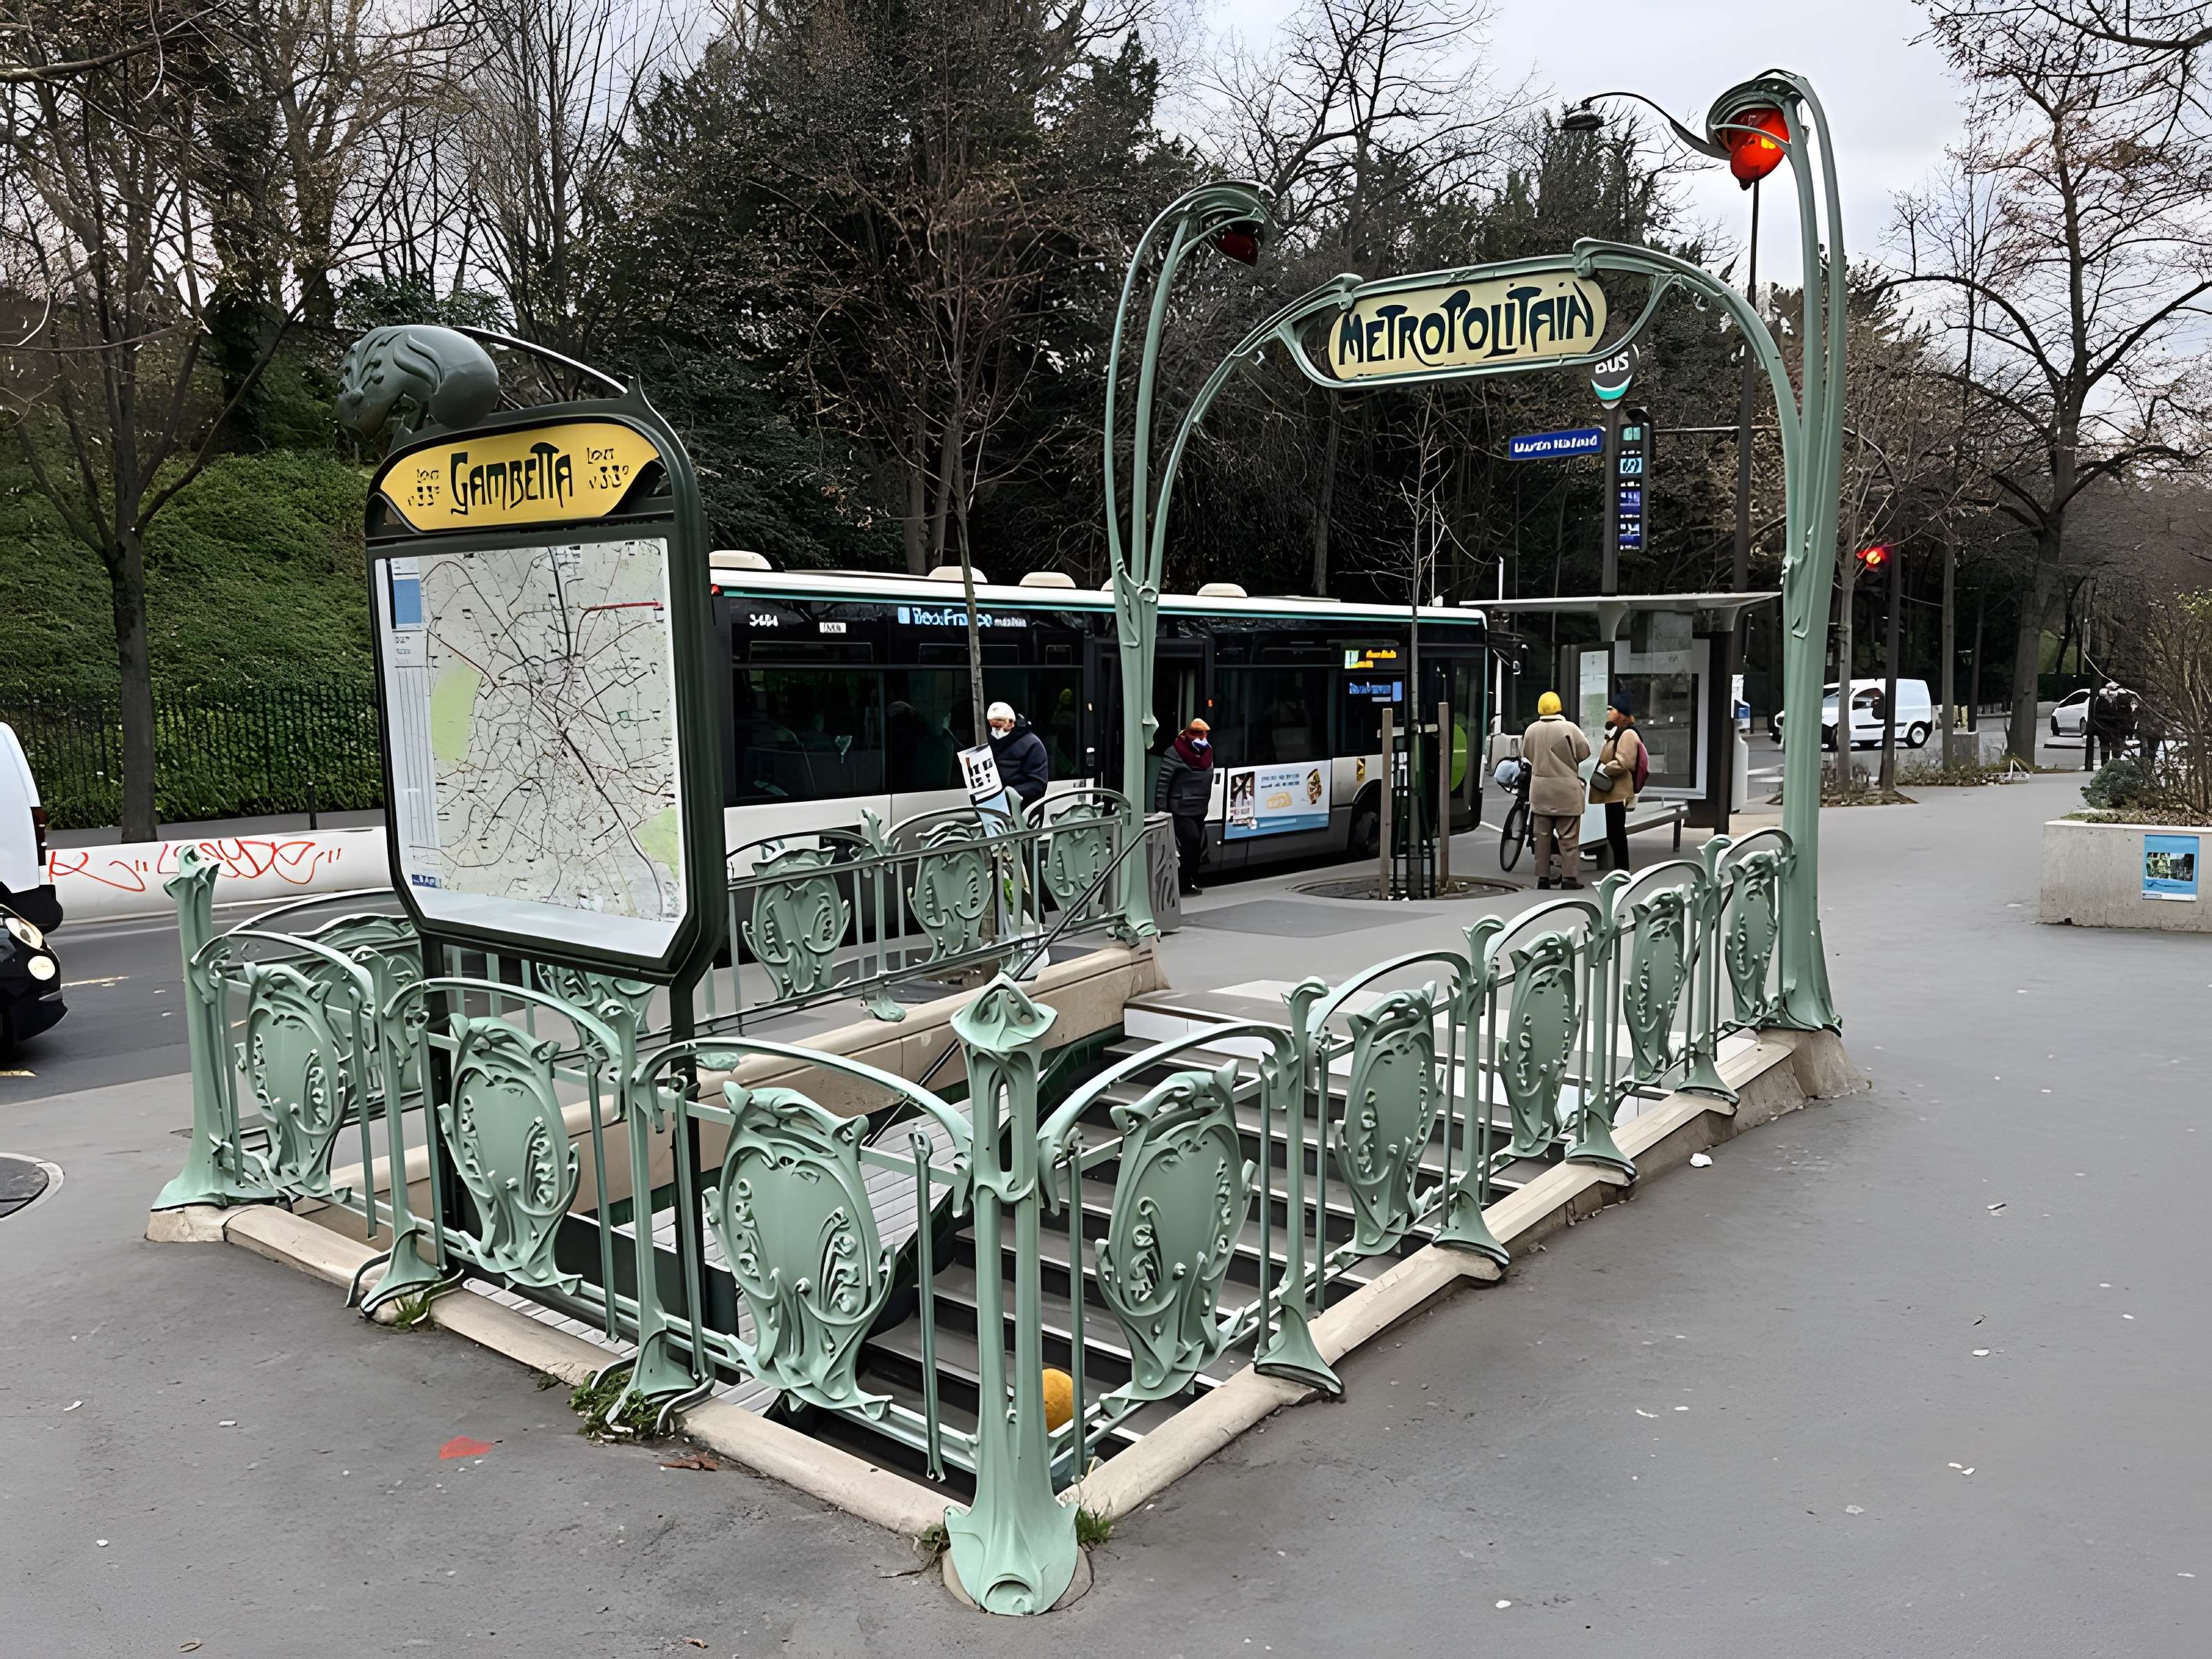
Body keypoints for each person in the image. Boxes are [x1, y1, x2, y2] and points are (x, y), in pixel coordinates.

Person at [1521, 691, 1591, 890]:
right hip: (1566, 790)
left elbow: (1527, 753)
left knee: (1542, 837)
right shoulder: (1570, 728)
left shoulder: (1532, 730)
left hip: (1540, 791)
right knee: (1568, 838)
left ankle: (1543, 878)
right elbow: (1585, 751)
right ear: (1559, 707)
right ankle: (1569, 878)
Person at [1156, 717, 1214, 894]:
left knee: (1197, 846)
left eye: (1204, 734)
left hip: (1200, 808)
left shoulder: (1207, 754)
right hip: (1181, 808)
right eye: (1197, 733)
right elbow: (1163, 783)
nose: (1202, 737)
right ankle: (1183, 881)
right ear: (1187, 734)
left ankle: (1188, 880)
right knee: (1191, 841)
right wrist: (1161, 810)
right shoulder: (1175, 752)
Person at [1591, 690, 1647, 874]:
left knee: (1616, 832)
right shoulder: (1617, 732)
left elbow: (1625, 762)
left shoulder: (1628, 734)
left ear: (1621, 713)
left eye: (1612, 709)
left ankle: (1623, 870)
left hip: (1619, 790)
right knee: (1614, 832)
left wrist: (1603, 769)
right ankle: (1621, 869)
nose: (1608, 712)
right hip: (1614, 791)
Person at [986, 700, 1049, 809]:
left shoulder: (1032, 744)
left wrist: (1005, 795)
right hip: (993, 809)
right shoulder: (988, 743)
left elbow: (1038, 786)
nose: (996, 730)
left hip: (1023, 812)